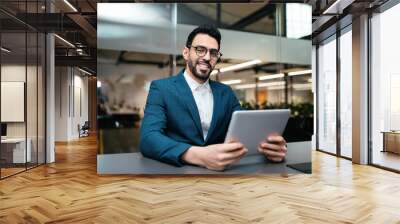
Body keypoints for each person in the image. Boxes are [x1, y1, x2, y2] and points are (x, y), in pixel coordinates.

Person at [139, 24, 287, 171]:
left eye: (213, 53)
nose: (207, 57)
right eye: (200, 50)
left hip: (222, 176)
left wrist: (271, 146)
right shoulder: (161, 88)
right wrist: (198, 155)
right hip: (177, 174)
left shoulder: (226, 92)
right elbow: (148, 138)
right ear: (186, 53)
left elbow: (245, 131)